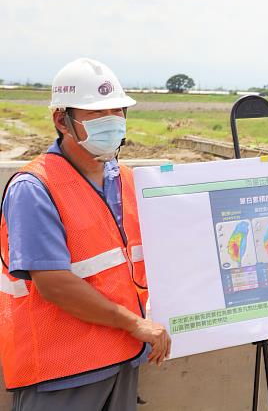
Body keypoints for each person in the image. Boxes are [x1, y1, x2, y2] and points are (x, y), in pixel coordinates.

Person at [0, 58, 171, 411]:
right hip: (62, 374)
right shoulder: (34, 188)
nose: (113, 122)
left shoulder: (122, 179)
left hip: (122, 359)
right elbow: (54, 283)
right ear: (62, 120)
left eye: (119, 112)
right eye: (98, 113)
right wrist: (136, 324)